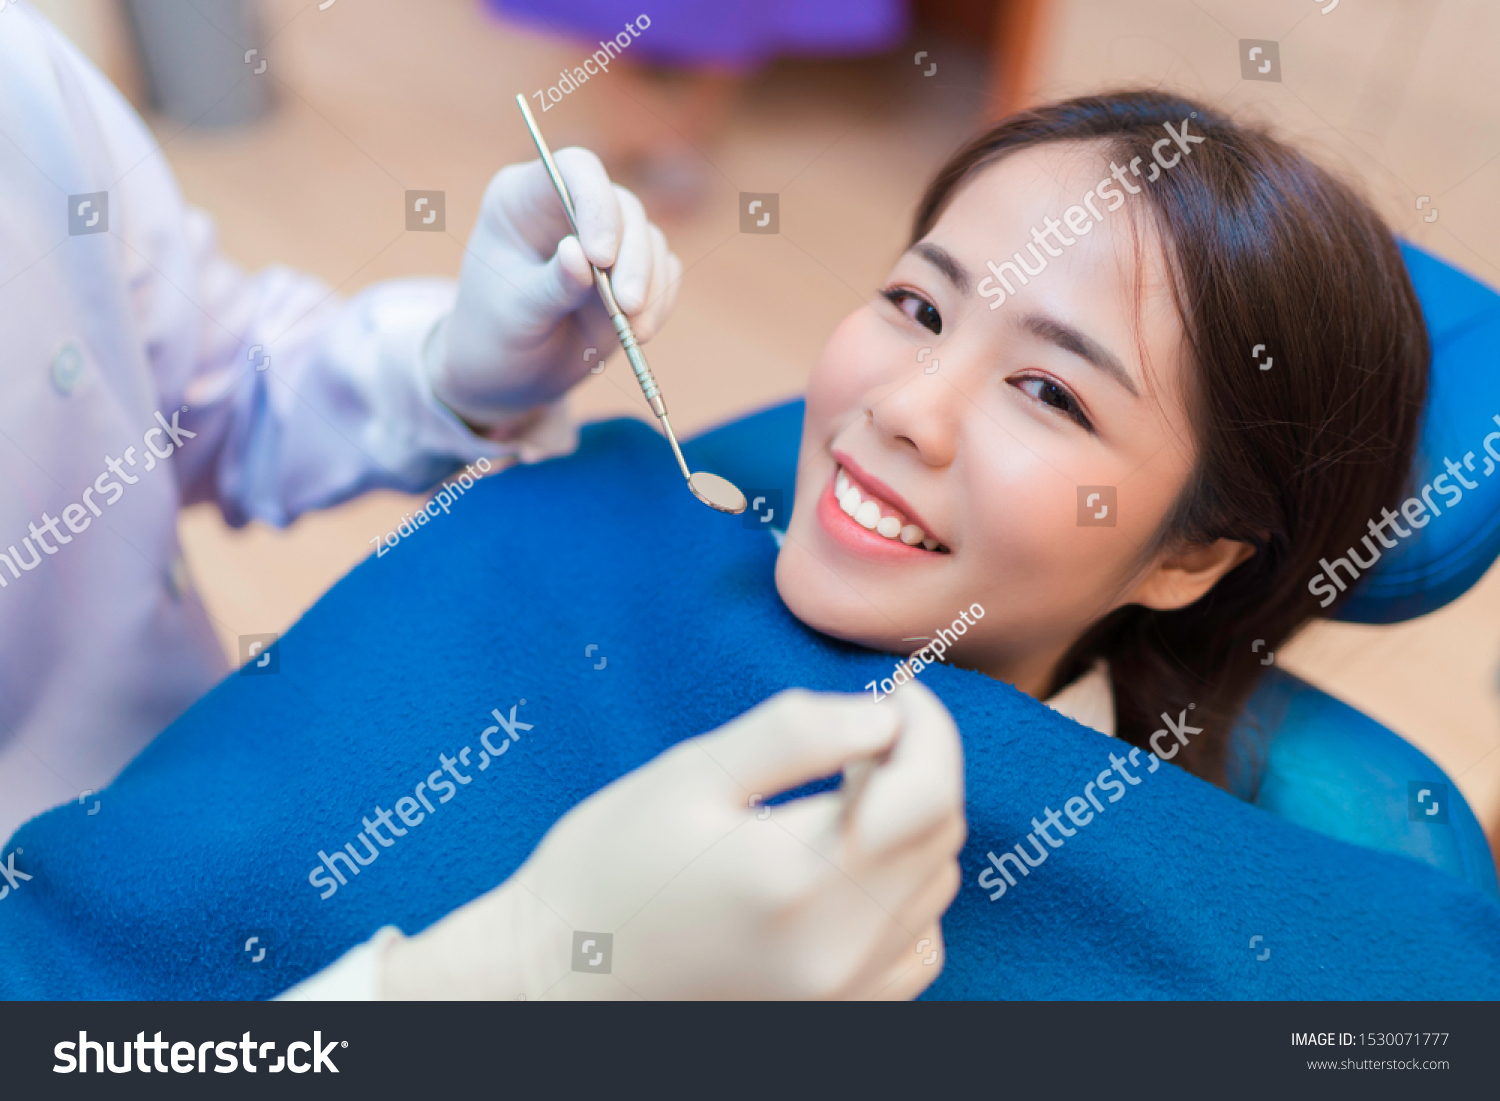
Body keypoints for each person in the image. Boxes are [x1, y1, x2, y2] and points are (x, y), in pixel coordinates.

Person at [0, 6, 966, 1000]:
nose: (913, 409)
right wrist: (499, 984)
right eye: (922, 310)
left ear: (1150, 569)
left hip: (189, 786)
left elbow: (214, 391)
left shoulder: (20, 80)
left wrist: (451, 371)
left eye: (1051, 392)